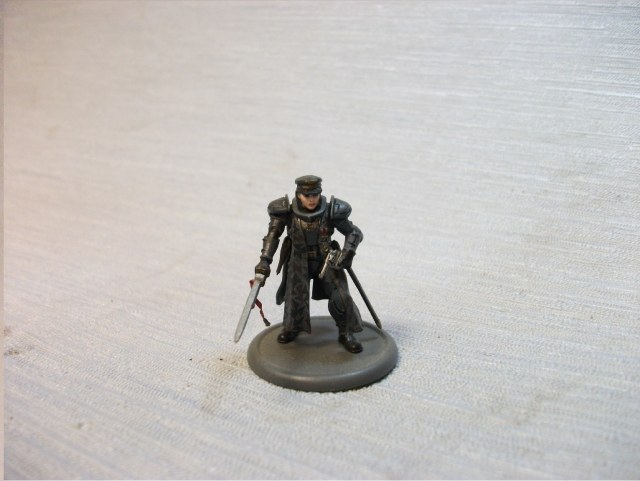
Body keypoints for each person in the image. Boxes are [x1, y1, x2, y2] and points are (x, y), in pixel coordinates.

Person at [255, 175, 365, 353]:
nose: (311, 199)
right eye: (307, 196)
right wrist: (264, 261)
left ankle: (346, 332)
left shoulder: (330, 211)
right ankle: (292, 328)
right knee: (295, 297)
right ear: (299, 195)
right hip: (298, 260)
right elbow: (272, 236)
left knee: (341, 296)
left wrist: (347, 253)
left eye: (315, 195)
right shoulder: (286, 211)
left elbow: (354, 233)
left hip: (326, 260)